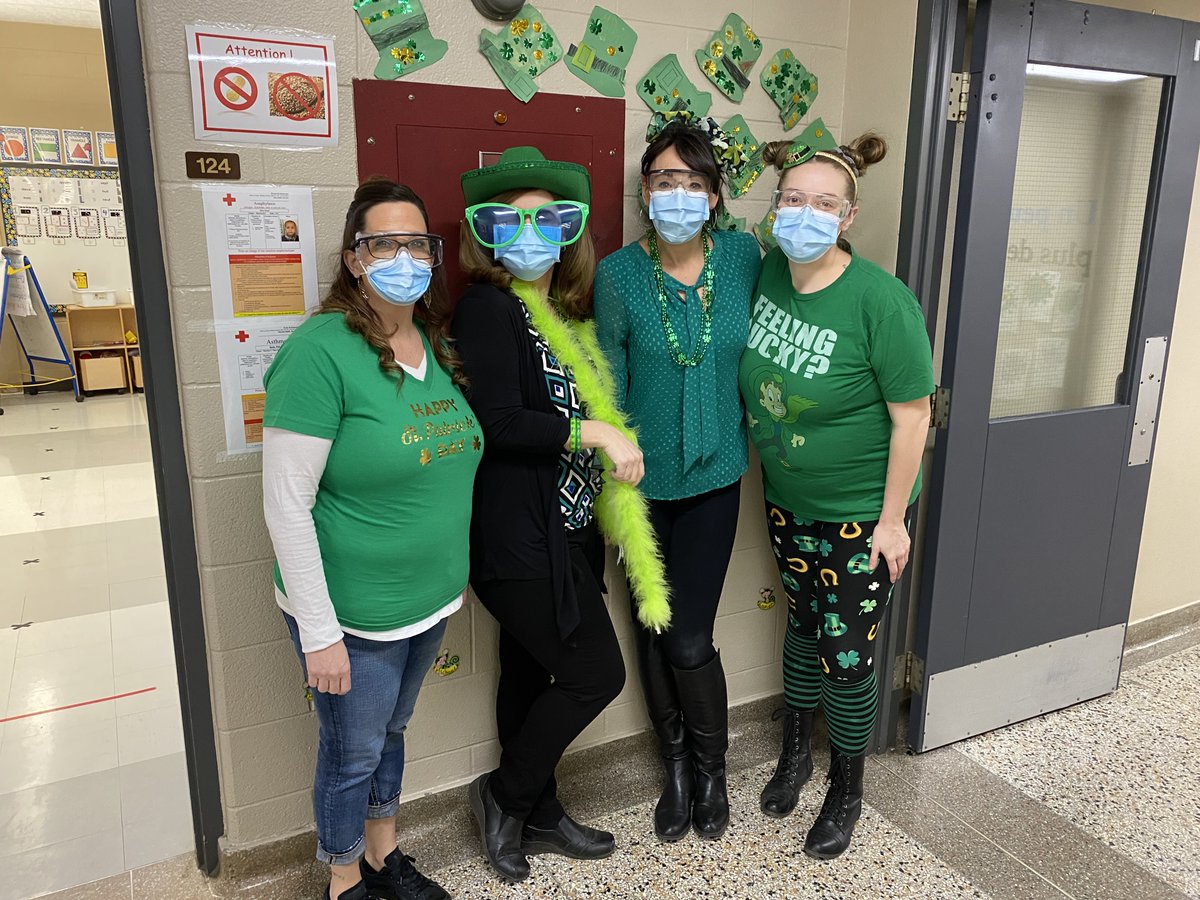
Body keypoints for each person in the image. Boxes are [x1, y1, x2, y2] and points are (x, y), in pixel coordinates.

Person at [451, 147, 670, 882]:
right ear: (483, 233)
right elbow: (499, 421)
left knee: (526, 671)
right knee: (593, 675)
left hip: (564, 533)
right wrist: (593, 433)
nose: (529, 232)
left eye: (548, 217)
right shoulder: (488, 306)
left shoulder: (559, 316)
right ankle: (505, 795)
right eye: (509, 219)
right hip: (516, 541)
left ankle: (540, 813)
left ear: (570, 230)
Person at [262, 178, 482, 900]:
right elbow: (286, 504)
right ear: (354, 259)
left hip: (425, 601)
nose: (402, 256)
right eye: (382, 243)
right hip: (352, 614)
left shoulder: (433, 344)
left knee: (390, 733)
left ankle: (385, 858)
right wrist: (319, 630)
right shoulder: (320, 351)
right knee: (352, 752)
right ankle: (344, 879)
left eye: (415, 243)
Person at [738, 132, 934, 859]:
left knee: (847, 652)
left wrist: (892, 521)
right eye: (792, 200)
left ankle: (847, 788)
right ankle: (795, 752)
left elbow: (913, 415)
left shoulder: (882, 301)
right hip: (789, 498)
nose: (805, 214)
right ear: (775, 206)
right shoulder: (767, 276)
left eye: (824, 204)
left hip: (862, 515)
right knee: (803, 622)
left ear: (848, 216)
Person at [593, 114, 761, 842]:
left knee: (690, 636)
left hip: (717, 476)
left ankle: (714, 766)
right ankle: (677, 768)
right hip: (638, 487)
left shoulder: (748, 259)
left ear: (716, 196)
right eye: (665, 181)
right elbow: (607, 384)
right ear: (644, 190)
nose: (679, 194)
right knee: (651, 628)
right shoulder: (617, 275)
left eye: (693, 183)